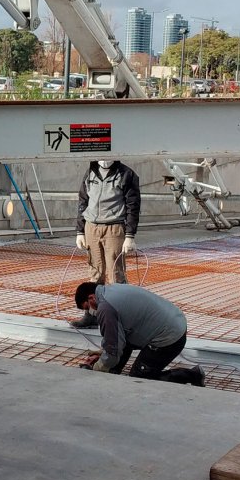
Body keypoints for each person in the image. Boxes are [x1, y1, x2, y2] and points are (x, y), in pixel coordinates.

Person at [73, 281, 205, 386]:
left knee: (140, 377)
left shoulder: (105, 308)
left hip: (169, 339)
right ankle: (113, 370)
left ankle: (194, 375)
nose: (90, 312)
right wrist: (103, 354)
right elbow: (116, 338)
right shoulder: (110, 290)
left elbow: (113, 349)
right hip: (175, 323)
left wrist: (98, 367)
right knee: (119, 347)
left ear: (91, 297)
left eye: (87, 308)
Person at [72, 158, 141, 327]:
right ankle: (93, 316)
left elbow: (133, 205)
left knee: (116, 275)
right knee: (95, 273)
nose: (104, 160)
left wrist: (130, 235)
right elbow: (83, 201)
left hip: (114, 228)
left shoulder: (127, 174)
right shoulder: (90, 172)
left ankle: (121, 318)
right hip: (91, 227)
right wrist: (80, 231)